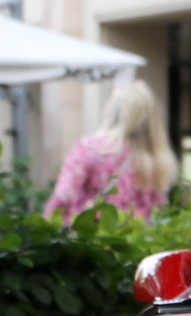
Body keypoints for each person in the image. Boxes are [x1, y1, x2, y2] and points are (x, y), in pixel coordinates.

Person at [46, 78, 176, 222]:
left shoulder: (89, 148)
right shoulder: (156, 161)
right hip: (134, 240)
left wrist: (46, 226)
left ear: (112, 110)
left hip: (88, 239)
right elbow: (157, 213)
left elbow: (63, 195)